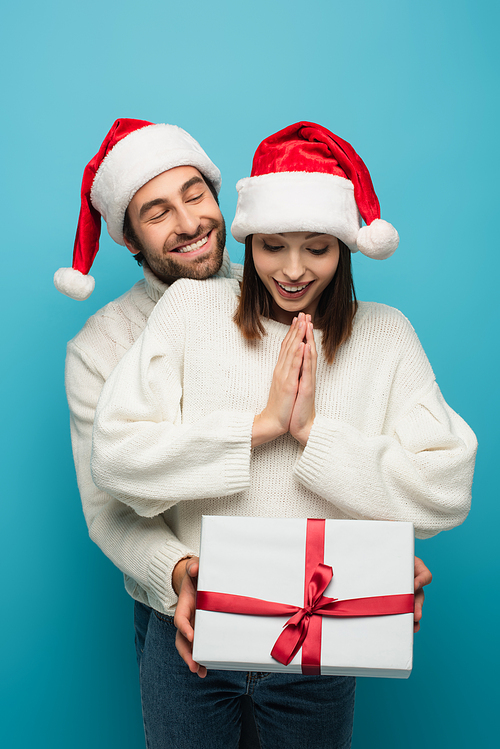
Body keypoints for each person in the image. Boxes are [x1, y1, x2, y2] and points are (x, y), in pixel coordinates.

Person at [91, 122, 476, 748]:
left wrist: (314, 436)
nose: (293, 271)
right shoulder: (190, 311)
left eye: (317, 249)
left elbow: (446, 489)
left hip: (323, 636)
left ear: (346, 247)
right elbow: (116, 459)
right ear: (249, 241)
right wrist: (262, 428)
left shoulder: (385, 335)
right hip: (194, 632)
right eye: (272, 247)